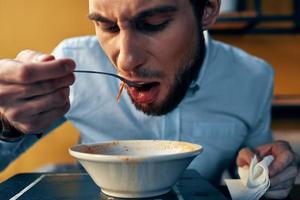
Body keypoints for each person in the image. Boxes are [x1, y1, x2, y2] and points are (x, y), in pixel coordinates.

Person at [0, 0, 298, 199]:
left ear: (207, 10)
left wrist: (263, 169)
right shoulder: (74, 63)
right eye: (107, 26)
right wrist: (7, 124)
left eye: (153, 24)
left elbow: (246, 170)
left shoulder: (253, 77)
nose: (126, 60)